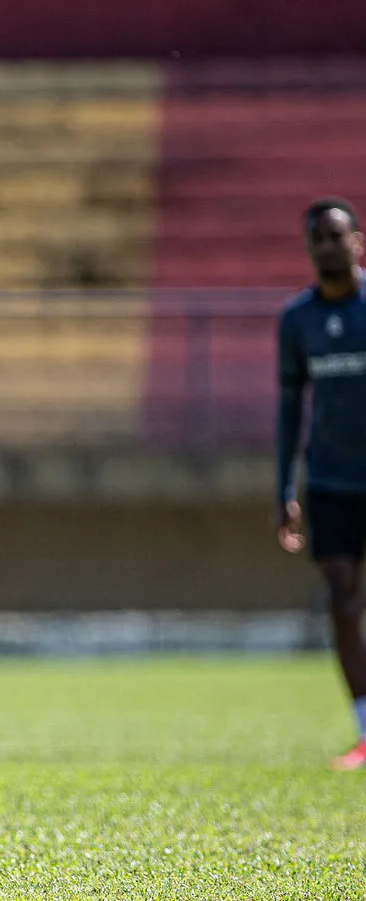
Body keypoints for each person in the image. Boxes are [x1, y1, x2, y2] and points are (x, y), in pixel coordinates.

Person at [276, 196, 366, 771]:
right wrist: (284, 486)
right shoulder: (297, 320)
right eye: (318, 238)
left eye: (337, 236)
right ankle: (364, 729)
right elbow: (290, 407)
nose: (328, 246)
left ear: (358, 241)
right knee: (340, 597)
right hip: (331, 479)